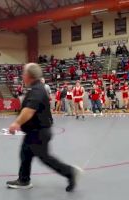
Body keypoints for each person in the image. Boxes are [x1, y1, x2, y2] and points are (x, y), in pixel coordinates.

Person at [7, 63, 82, 192]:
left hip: (39, 133)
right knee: (25, 153)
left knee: (46, 158)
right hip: (33, 132)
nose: (22, 76)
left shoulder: (37, 90)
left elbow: (29, 110)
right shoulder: (35, 88)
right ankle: (24, 180)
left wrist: (16, 123)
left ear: (29, 76)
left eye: (24, 74)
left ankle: (70, 172)